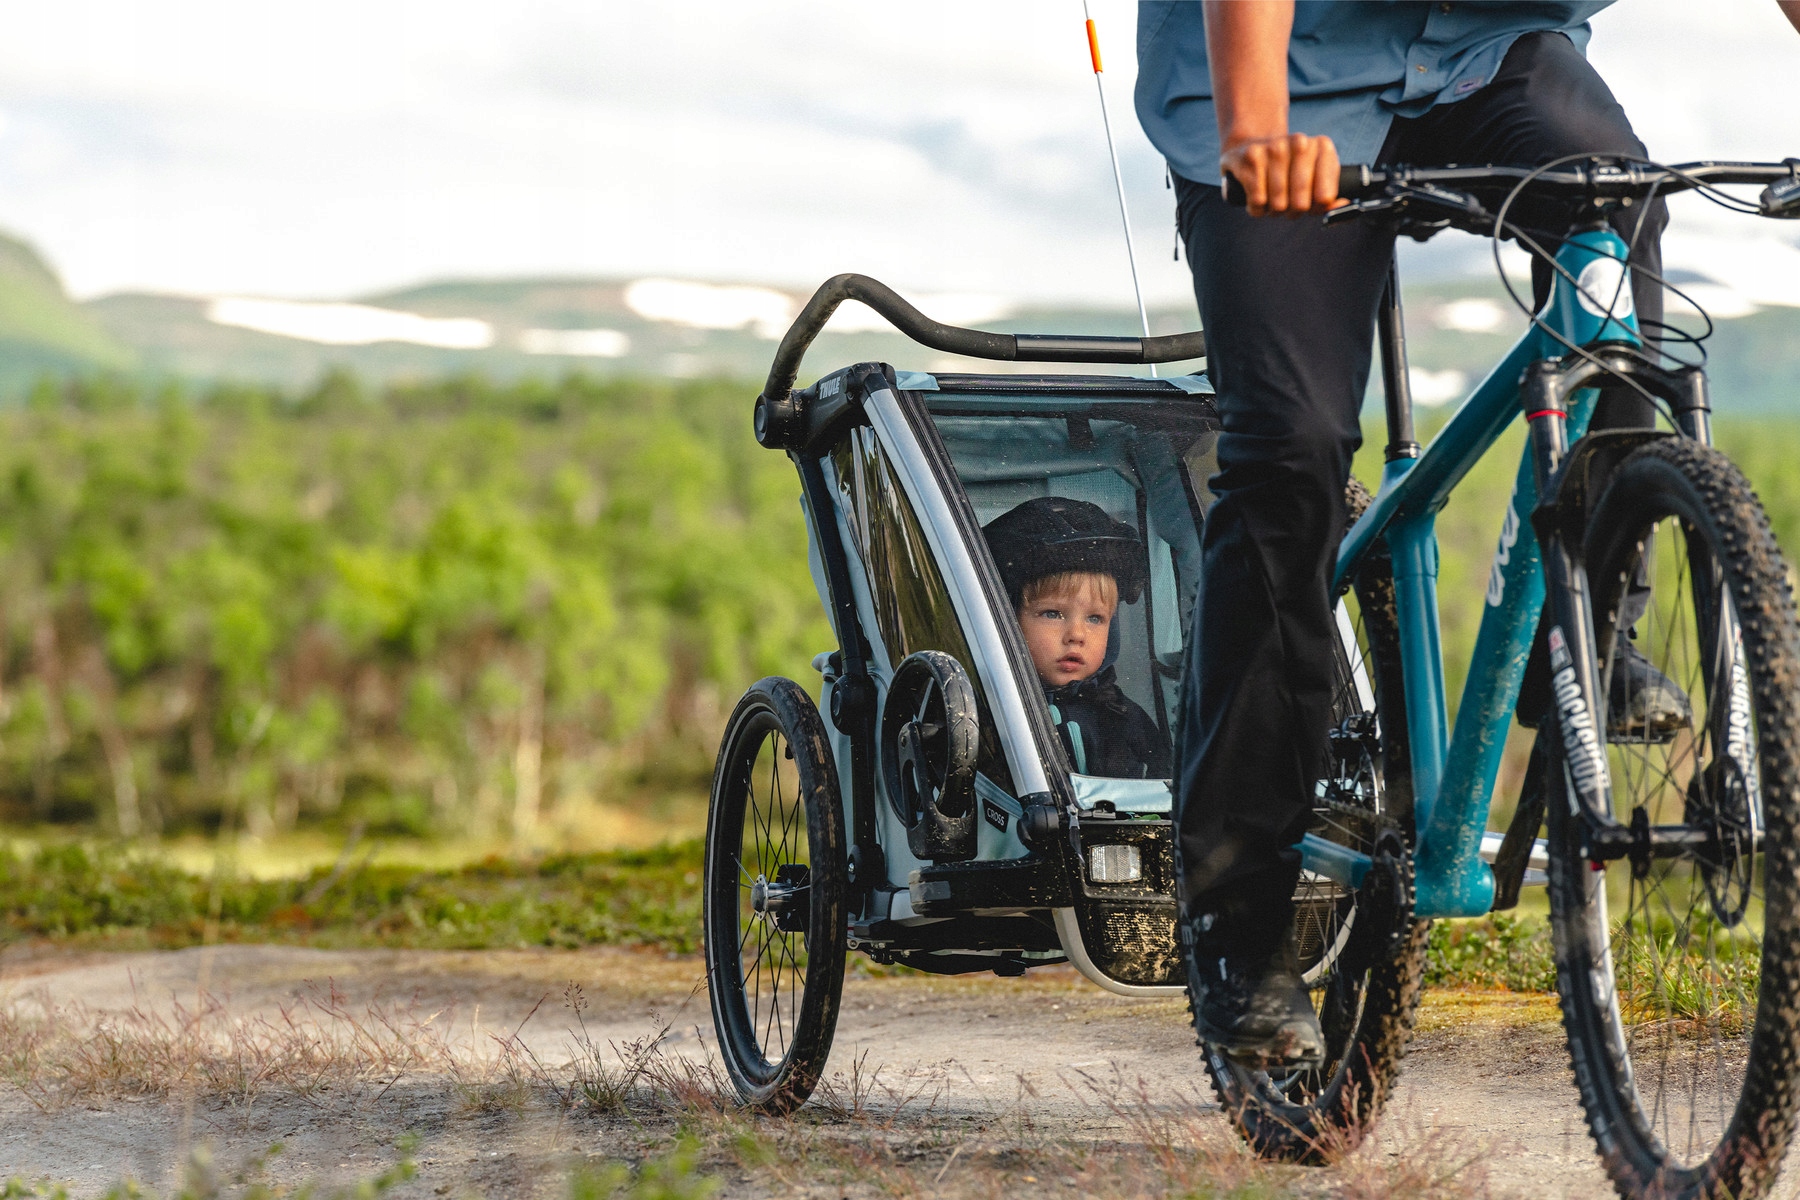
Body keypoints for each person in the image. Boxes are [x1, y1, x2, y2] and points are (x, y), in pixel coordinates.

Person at [1135, 0, 1800, 1068]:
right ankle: (1238, 915)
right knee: (1289, 456)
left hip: (1489, 59)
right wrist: (1254, 126)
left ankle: (1586, 632)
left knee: (1616, 213)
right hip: (1277, 73)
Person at [983, 496, 1171, 780]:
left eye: (1095, 618)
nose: (1077, 635)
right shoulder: (989, 718)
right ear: (1007, 619)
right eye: (1053, 614)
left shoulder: (1124, 720)